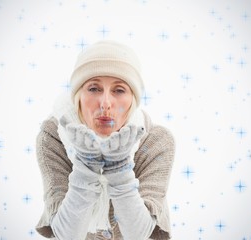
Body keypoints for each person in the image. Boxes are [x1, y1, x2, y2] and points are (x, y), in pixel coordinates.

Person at [35, 40, 175, 240]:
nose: (106, 103)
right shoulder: (54, 135)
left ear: (133, 99)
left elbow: (139, 235)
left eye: (119, 90)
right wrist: (86, 165)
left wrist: (120, 168)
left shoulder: (155, 140)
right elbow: (66, 235)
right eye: (93, 88)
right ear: (78, 96)